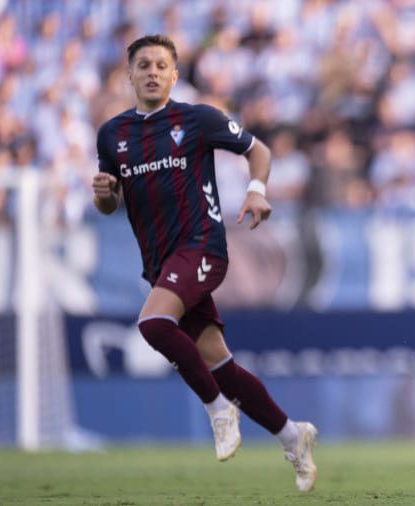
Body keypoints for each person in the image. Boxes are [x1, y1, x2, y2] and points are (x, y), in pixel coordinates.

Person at [91, 35, 318, 491]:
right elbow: (110, 205)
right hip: (159, 263)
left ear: (175, 76)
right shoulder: (112, 134)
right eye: (143, 65)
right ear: (129, 75)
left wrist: (257, 190)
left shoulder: (196, 119)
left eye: (161, 65)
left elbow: (259, 150)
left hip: (203, 248)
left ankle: (218, 410)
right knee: (222, 366)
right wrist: (104, 196)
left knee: (153, 324)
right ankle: (294, 437)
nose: (152, 72)